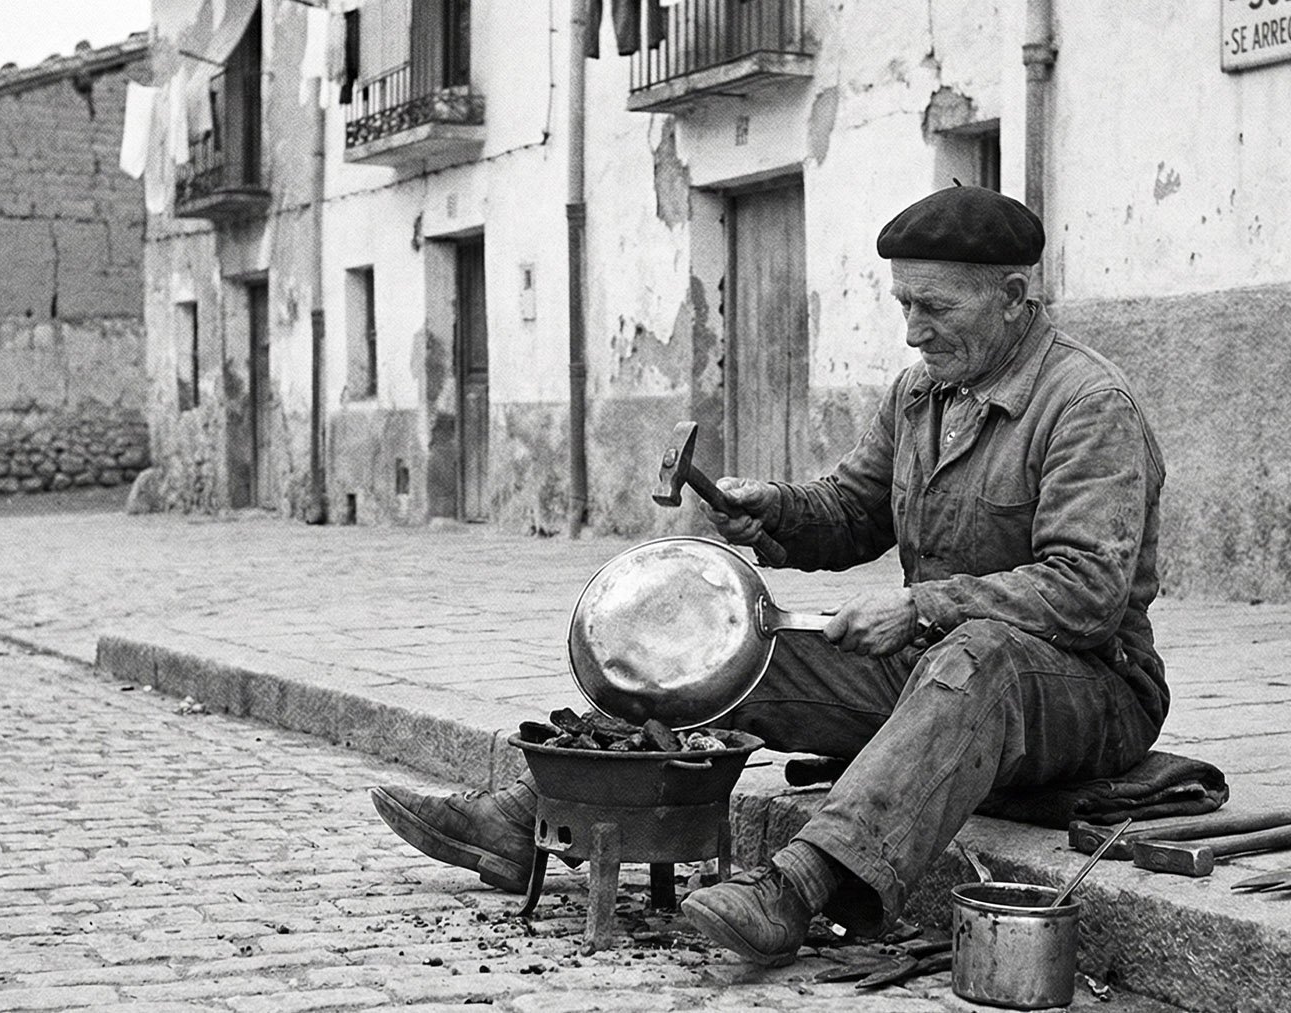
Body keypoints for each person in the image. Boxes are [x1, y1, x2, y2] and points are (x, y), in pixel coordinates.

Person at [371, 186, 1169, 967]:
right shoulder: (923, 391)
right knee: (727, 645)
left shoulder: (1088, 405)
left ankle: (795, 888)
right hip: (935, 666)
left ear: (1014, 296)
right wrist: (777, 511)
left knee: (978, 656)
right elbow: (855, 509)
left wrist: (919, 605)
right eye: (904, 306)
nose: (913, 332)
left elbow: (1085, 591)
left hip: (1089, 689)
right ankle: (532, 815)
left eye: (934, 308)